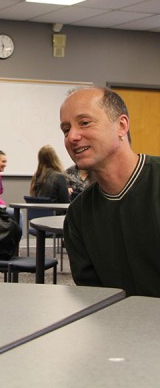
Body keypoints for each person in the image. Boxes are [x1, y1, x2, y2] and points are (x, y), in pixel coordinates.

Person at [60, 86, 160, 297]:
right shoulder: (78, 215)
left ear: (121, 126)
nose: (72, 137)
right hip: (119, 325)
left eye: (84, 123)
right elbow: (94, 297)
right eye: (66, 129)